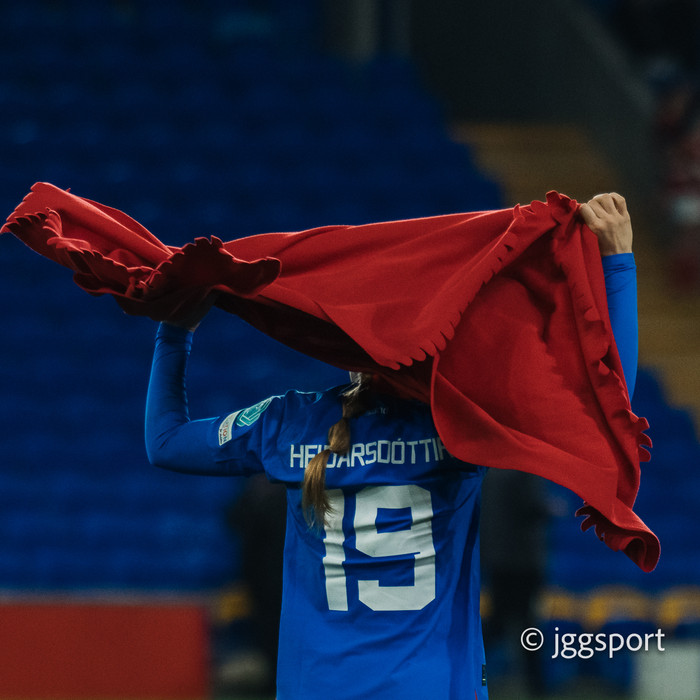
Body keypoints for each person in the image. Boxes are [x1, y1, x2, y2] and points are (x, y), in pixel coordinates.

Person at [144, 193, 637, 700]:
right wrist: (617, 260)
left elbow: (165, 443)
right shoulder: (457, 423)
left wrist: (175, 333)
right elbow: (605, 408)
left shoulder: (289, 422)